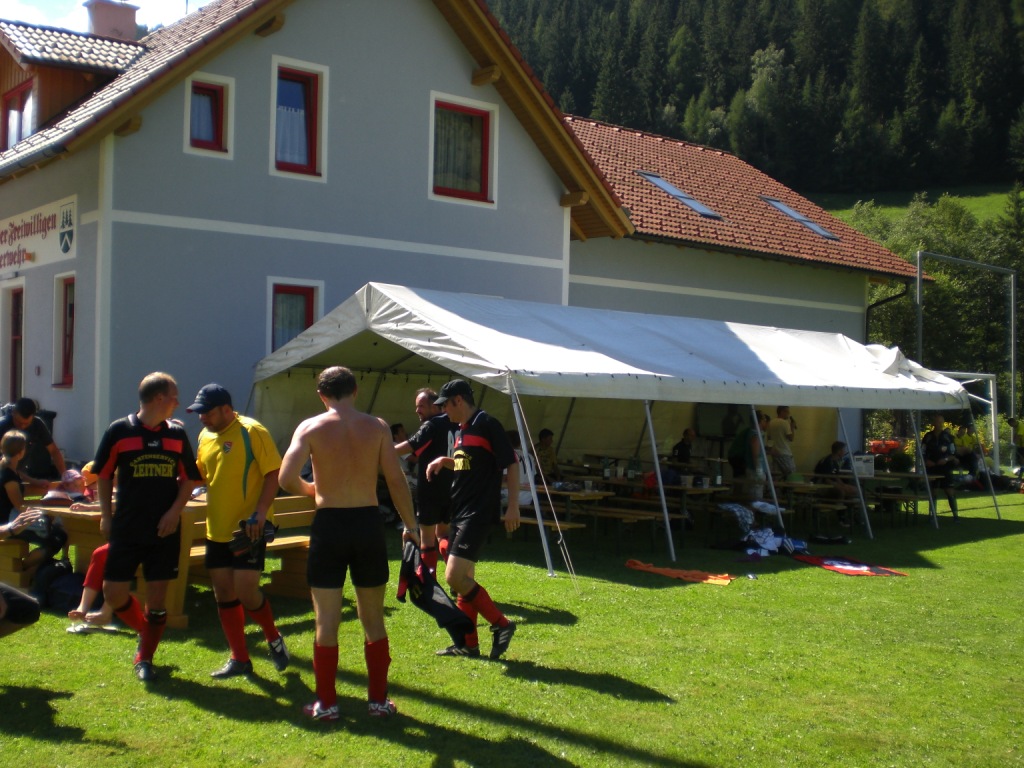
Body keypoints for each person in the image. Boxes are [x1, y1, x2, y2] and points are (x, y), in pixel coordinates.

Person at [278, 366, 418, 722]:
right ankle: (378, 701)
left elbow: (286, 477)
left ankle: (327, 704)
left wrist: (313, 490)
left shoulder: (310, 427)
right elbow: (396, 479)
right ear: (355, 390)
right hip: (367, 524)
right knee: (373, 618)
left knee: (326, 620)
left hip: (330, 524)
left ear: (321, 395)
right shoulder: (377, 427)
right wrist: (411, 525)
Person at [93, 372, 202, 682]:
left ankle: (145, 657)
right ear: (159, 399)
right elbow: (103, 474)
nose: (178, 403)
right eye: (174, 397)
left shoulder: (177, 434)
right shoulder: (119, 430)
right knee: (113, 593)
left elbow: (189, 479)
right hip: (128, 526)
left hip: (164, 530)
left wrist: (174, 513)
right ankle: (146, 631)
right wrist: (106, 515)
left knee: (157, 598)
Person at [188, 383, 289, 679]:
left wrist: (260, 512)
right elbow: (201, 475)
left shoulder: (252, 431)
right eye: (199, 413)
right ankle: (240, 658)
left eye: (207, 412)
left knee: (246, 591)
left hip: (249, 529)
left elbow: (274, 473)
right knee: (223, 592)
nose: (202, 418)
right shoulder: (205, 436)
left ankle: (273, 637)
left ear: (226, 409)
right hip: (216, 529)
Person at [425, 379, 519, 660]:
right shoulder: (463, 430)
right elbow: (469, 464)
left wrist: (513, 506)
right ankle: (469, 644)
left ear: (458, 400)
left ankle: (502, 624)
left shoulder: (487, 423)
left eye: (445, 405)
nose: (444, 411)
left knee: (454, 577)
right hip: (461, 510)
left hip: (478, 512)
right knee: (464, 579)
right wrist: (444, 461)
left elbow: (511, 463)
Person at [394, 388, 455, 574]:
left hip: (430, 488)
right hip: (452, 488)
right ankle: (456, 573)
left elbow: (411, 446)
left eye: (421, 406)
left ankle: (429, 581)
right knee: (443, 534)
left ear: (435, 407)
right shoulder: (456, 423)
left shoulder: (432, 425)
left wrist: (381, 450)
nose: (417, 410)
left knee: (427, 539)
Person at [0, 430, 67, 569]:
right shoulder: (9, 477)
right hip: (9, 524)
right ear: (20, 452)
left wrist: (36, 482)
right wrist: (44, 508)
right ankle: (23, 568)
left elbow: (21, 476)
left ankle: (31, 568)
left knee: (55, 532)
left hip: (11, 520)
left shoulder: (8, 468)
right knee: (56, 538)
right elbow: (20, 505)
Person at [0, 397, 66, 481]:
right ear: (13, 413)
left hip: (21, 474)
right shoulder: (2, 426)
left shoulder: (37, 424)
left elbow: (54, 451)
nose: (22, 426)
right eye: (19, 422)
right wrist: (34, 481)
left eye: (27, 423)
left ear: (33, 416)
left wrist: (65, 476)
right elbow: (6, 467)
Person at [726, 410, 771, 501]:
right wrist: (758, 471)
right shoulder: (755, 434)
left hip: (743, 459)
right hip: (738, 457)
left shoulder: (754, 433)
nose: (766, 423)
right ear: (760, 421)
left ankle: (738, 499)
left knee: (748, 486)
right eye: (764, 420)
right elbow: (755, 453)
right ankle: (737, 500)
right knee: (752, 491)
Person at [921, 413, 959, 520]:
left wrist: (946, 460)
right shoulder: (927, 437)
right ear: (933, 423)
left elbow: (953, 454)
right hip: (932, 468)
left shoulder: (948, 437)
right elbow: (922, 451)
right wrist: (926, 461)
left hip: (945, 468)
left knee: (949, 491)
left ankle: (955, 516)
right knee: (933, 491)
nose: (939, 424)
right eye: (937, 422)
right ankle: (932, 515)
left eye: (941, 422)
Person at [766, 406, 797, 477]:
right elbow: (791, 438)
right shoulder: (785, 423)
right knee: (791, 475)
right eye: (787, 412)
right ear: (782, 412)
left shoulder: (771, 422)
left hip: (775, 453)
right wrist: (792, 427)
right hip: (784, 453)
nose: (789, 414)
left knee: (777, 476)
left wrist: (770, 450)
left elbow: (769, 439)